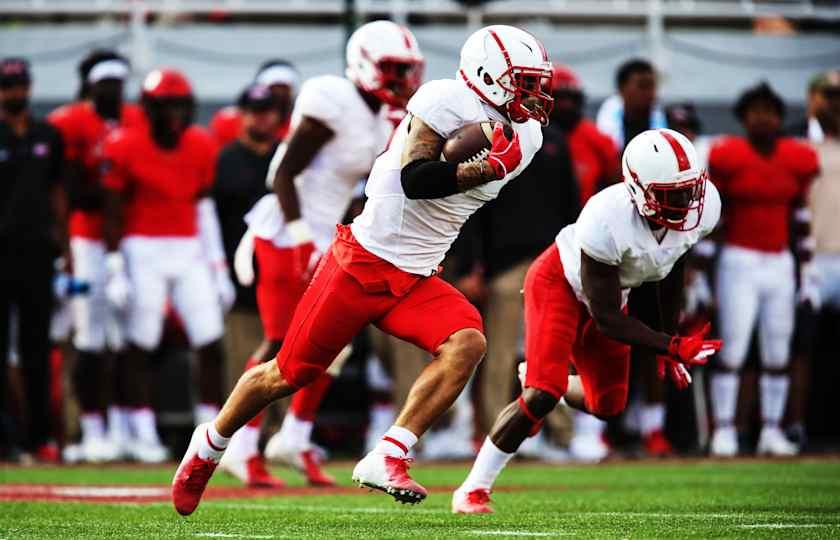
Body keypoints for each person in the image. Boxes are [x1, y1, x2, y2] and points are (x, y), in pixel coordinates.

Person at [172, 23, 552, 517]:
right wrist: (479, 168)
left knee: (467, 341)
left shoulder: (529, 133)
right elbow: (417, 179)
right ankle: (210, 447)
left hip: (415, 276)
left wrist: (479, 168)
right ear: (486, 76)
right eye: (523, 82)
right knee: (285, 373)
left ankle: (388, 454)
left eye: (536, 83)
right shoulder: (441, 100)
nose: (535, 95)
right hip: (363, 262)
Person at [452, 128, 721, 514]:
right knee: (542, 395)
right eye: (669, 193)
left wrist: (669, 338)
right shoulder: (606, 217)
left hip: (614, 295)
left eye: (688, 189)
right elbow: (608, 319)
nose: (685, 201)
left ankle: (544, 378)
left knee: (608, 405)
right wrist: (670, 345)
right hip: (559, 283)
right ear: (638, 189)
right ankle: (473, 489)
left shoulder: (706, 207)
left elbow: (670, 268)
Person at [216, 20, 424, 488]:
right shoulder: (333, 98)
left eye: (406, 71)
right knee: (280, 343)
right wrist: (301, 238)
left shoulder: (379, 115)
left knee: (332, 346)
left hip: (325, 233)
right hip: (286, 231)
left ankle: (294, 437)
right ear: (364, 65)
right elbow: (282, 174)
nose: (401, 81)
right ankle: (241, 446)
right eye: (392, 70)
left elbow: (356, 187)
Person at [101, 68, 234, 463]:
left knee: (209, 338)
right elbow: (111, 210)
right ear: (149, 108)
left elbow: (204, 206)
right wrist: (114, 267)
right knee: (141, 340)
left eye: (180, 106)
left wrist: (218, 266)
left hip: (189, 246)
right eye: (167, 106)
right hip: (141, 247)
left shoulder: (200, 144)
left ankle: (211, 430)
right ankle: (141, 431)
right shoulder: (123, 144)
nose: (175, 114)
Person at [708, 82, 819, 457]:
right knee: (734, 349)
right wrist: (703, 270)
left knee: (777, 349)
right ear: (743, 117)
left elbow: (800, 216)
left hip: (779, 261)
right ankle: (723, 430)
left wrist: (807, 271)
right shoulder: (728, 155)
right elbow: (715, 217)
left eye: (769, 111)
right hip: (738, 259)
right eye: (755, 111)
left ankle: (771, 429)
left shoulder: (796, 157)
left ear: (779, 116)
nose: (763, 118)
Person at [47, 50, 146, 463]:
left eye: (119, 83)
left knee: (126, 337)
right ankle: (90, 427)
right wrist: (65, 249)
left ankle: (125, 427)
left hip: (129, 238)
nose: (114, 90)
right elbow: (65, 189)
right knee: (88, 338)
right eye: (106, 82)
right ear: (89, 84)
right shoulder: (69, 122)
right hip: (86, 237)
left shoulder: (136, 119)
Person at [0, 57, 66, 462]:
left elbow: (58, 193)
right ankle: (6, 438)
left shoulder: (48, 134)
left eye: (20, 84)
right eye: (8, 86)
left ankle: (40, 436)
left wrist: (67, 246)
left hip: (38, 251)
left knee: (37, 349)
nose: (15, 92)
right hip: (0, 251)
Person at [549, 64, 619, 206]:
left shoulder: (597, 138)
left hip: (586, 217)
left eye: (571, 99)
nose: (566, 105)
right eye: (560, 99)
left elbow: (618, 184)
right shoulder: (532, 136)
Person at [210, 60, 298, 147]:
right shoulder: (228, 122)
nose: (280, 95)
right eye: (274, 89)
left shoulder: (296, 124)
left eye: (284, 90)